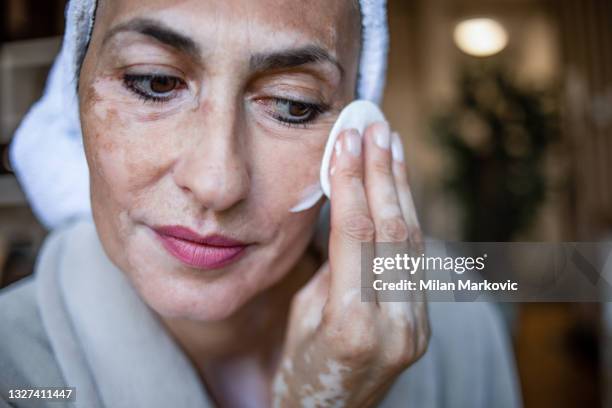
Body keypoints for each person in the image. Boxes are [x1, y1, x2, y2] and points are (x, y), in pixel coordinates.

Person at [1, 0, 522, 407]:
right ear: (75, 102)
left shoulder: (456, 320)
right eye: (154, 82)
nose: (217, 182)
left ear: (357, 130)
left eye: (293, 105)